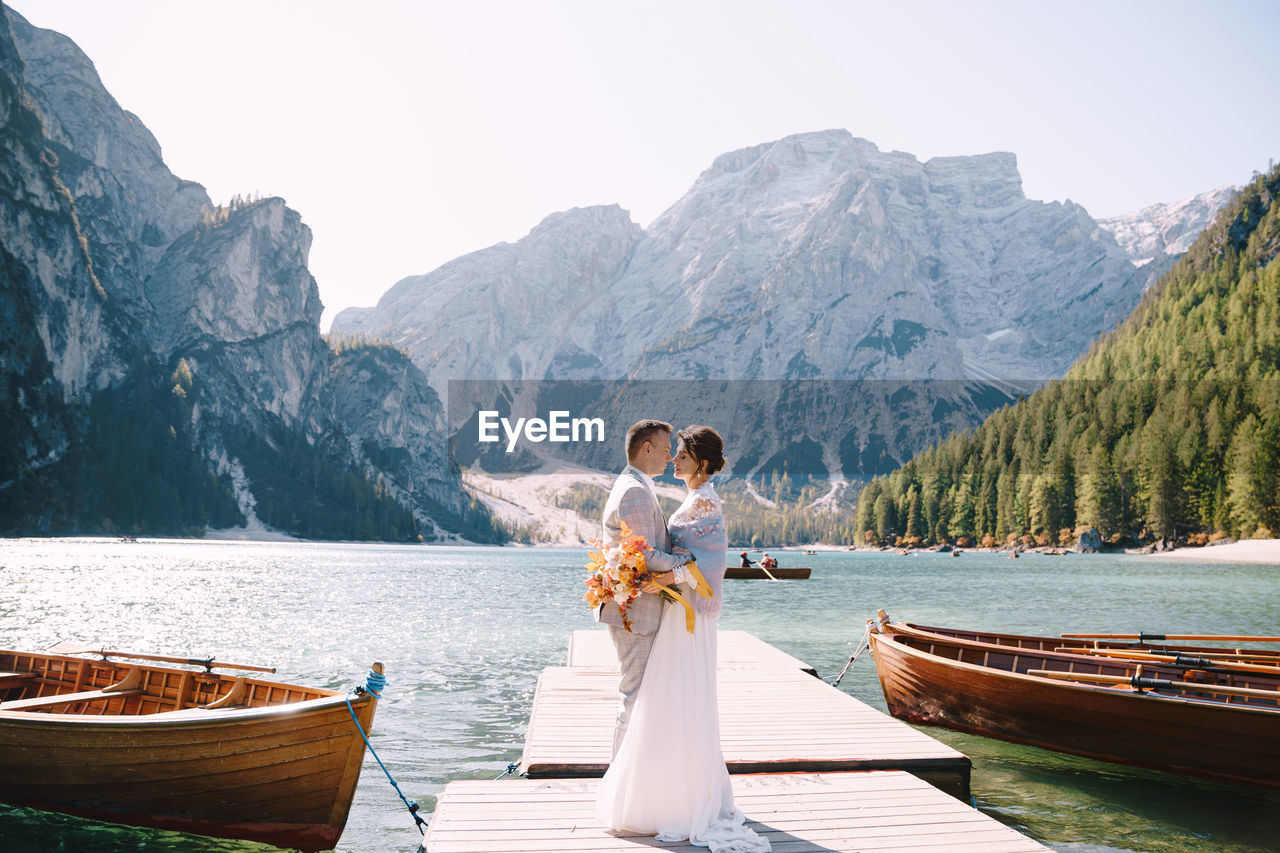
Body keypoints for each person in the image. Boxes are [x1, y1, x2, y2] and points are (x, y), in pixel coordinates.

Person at [596, 425, 770, 853]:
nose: (674, 460)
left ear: (703, 464)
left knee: (670, 699)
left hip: (682, 614)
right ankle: (652, 790)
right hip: (668, 611)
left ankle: (658, 794)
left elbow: (708, 564)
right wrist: (660, 574)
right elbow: (654, 551)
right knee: (658, 699)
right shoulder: (670, 495)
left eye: (684, 456)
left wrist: (667, 576)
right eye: (672, 453)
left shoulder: (705, 501)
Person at [596, 419, 693, 757]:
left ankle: (632, 776)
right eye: (666, 451)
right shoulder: (635, 490)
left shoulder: (635, 485)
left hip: (634, 608)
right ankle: (619, 781)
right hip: (636, 611)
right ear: (646, 448)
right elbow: (646, 554)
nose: (670, 458)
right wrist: (687, 564)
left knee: (640, 695)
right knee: (635, 696)